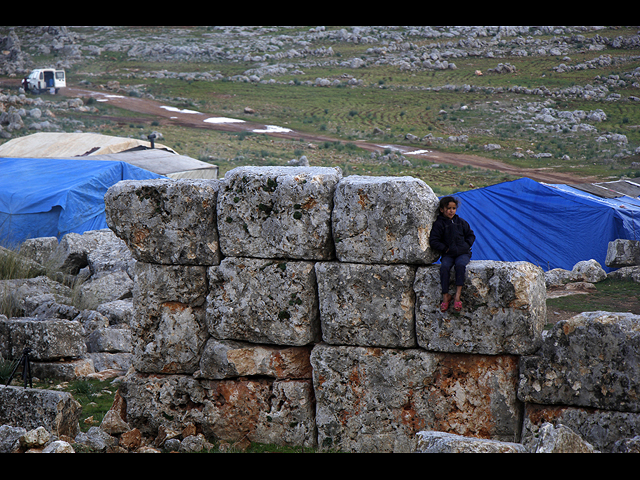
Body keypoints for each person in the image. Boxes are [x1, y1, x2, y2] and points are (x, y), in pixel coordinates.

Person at [429, 196, 475, 312]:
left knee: (460, 265)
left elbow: (471, 235)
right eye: (448, 208)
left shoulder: (461, 222)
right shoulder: (439, 224)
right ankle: (446, 296)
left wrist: (466, 245)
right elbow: (434, 241)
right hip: (448, 254)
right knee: (444, 267)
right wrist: (445, 249)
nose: (451, 211)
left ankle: (457, 296)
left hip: (463, 253)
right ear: (441, 210)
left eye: (454, 208)